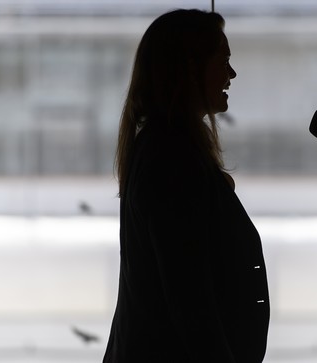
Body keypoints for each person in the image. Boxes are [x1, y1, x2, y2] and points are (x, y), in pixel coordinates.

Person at [103, 9, 269, 362]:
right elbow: (189, 298)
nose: (232, 74)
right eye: (222, 61)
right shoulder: (172, 158)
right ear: (189, 69)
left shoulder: (164, 149)